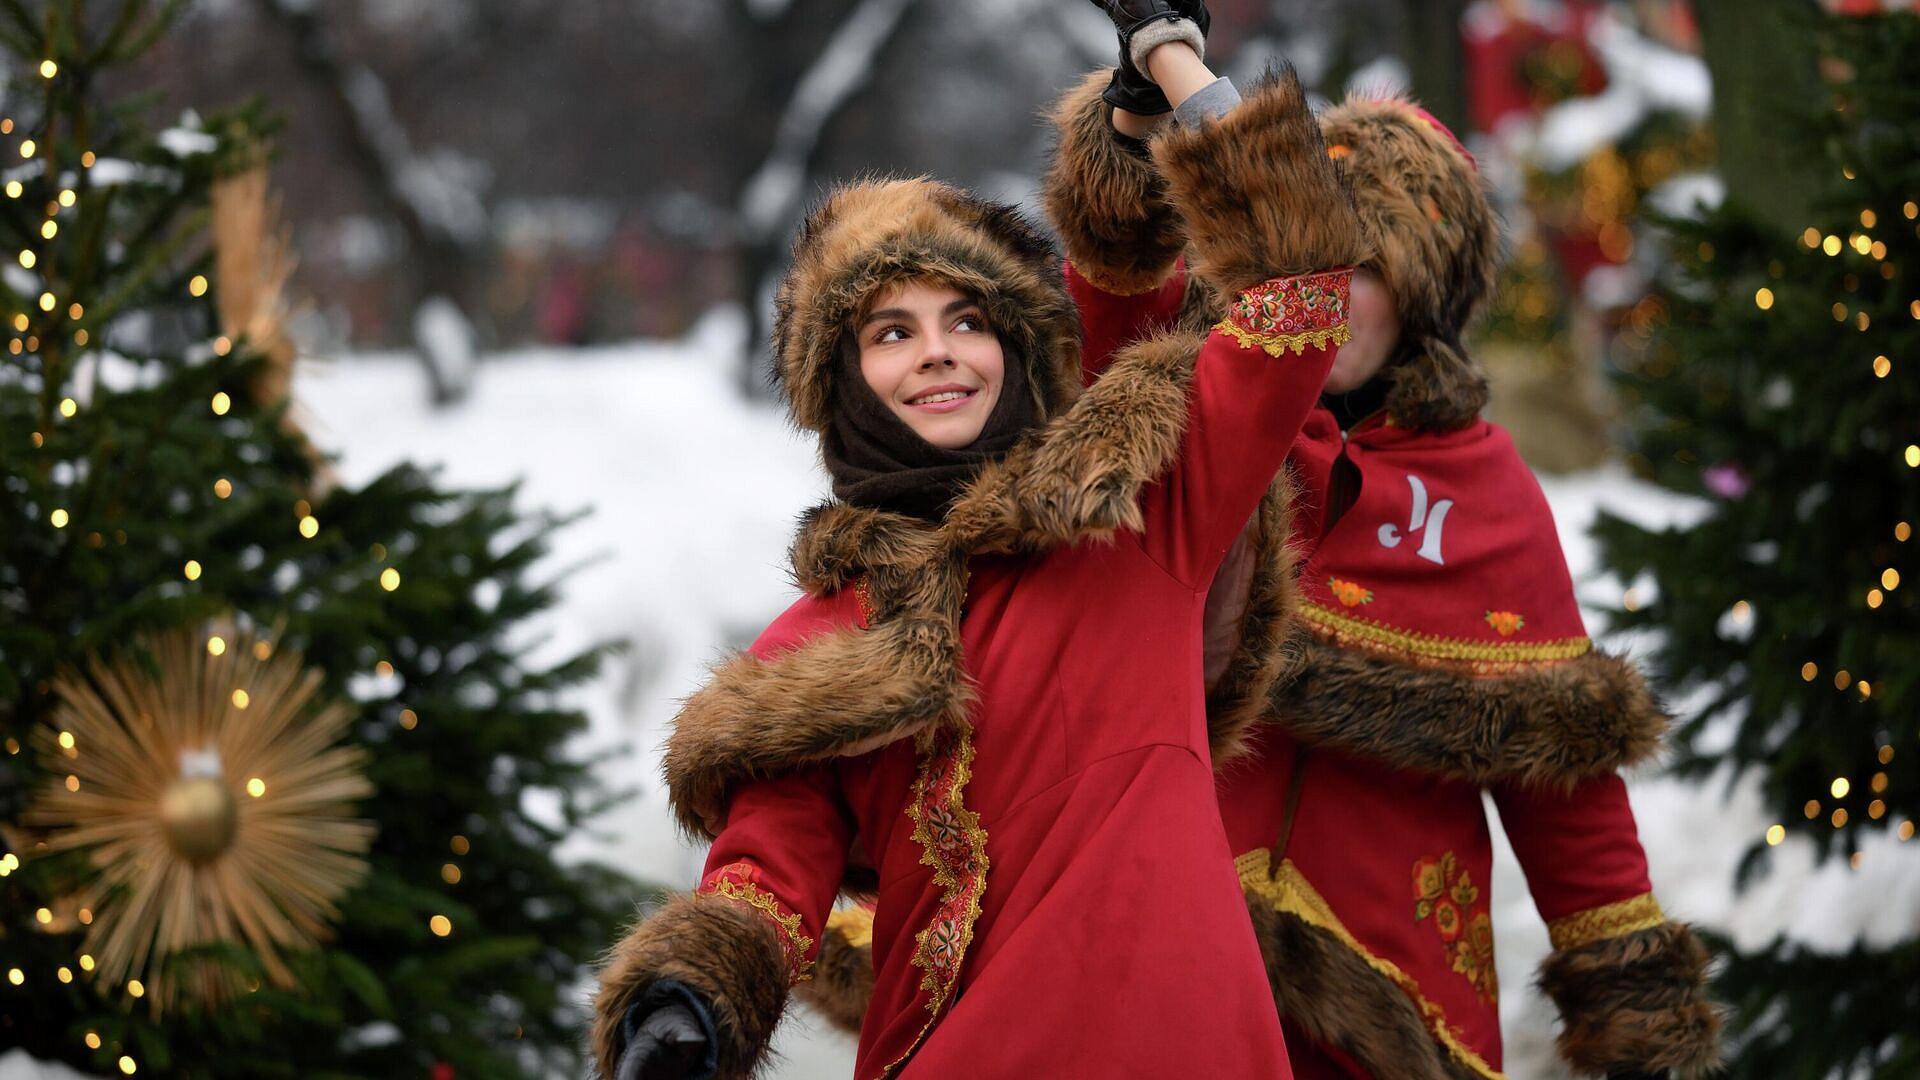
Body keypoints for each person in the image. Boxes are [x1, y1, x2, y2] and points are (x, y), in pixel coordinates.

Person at [800, 49, 1726, 1080]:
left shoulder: (1488, 491)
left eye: (1371, 270)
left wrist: (1635, 1001)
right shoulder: (1199, 420)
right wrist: (1138, 121)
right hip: (1157, 952)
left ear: (1419, 301)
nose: (1347, 300)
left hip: (1391, 998)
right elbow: (1118, 294)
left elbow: (1567, 778)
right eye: (1337, 266)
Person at [590, 5, 1374, 1078]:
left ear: (1012, 344)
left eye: (967, 319)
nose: (938, 355)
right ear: (842, 383)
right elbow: (764, 876)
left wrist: (1169, 65)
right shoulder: (816, 646)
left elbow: (1296, 293)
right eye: (891, 332)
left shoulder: (1134, 518)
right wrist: (688, 996)